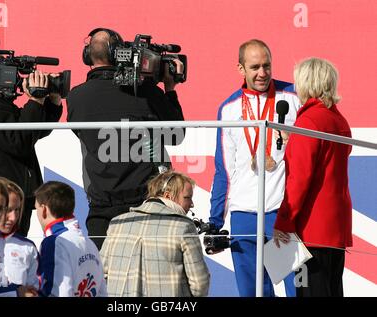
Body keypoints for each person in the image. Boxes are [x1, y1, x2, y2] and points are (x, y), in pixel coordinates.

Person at [67, 28, 185, 249]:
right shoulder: (145, 91)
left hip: (101, 207)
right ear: (118, 53)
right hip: (146, 205)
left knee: (104, 278)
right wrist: (169, 88)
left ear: (87, 55)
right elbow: (177, 134)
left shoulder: (75, 96)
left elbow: (81, 133)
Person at [209, 39, 301, 297]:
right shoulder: (229, 108)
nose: (262, 73)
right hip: (244, 213)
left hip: (282, 212)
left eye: (267, 66)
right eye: (255, 67)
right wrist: (215, 220)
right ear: (241, 69)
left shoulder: (293, 97)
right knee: (252, 292)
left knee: (296, 289)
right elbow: (224, 169)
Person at [0, 35, 63, 237]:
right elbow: (20, 142)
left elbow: (35, 131)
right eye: (0, 61)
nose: (7, 67)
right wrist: (34, 99)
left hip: (12, 196)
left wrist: (51, 100)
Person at [273, 57, 352, 297]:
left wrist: (283, 222)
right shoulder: (339, 120)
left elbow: (300, 179)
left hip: (311, 230)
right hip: (335, 228)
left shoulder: (308, 121)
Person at [100, 171, 210, 297]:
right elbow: (200, 284)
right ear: (168, 196)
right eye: (187, 197)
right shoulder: (184, 226)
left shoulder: (117, 223)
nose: (192, 204)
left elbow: (100, 274)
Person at [35, 181, 107, 297]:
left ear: (43, 210)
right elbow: (102, 292)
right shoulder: (89, 243)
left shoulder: (54, 242)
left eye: (36, 208)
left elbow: (58, 293)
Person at [0, 178, 39, 292]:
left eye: (17, 210)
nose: (13, 217)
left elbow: (35, 289)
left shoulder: (28, 247)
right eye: (8, 210)